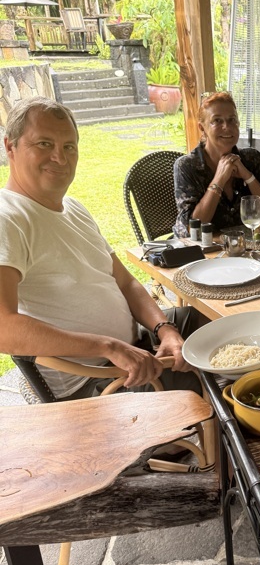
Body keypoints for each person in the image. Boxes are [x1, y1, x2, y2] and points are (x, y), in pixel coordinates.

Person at [0, 97, 204, 401]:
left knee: (211, 324)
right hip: (97, 381)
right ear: (10, 147)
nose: (60, 157)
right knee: (214, 379)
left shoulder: (74, 208)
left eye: (69, 146)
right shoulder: (8, 217)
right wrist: (108, 346)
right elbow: (4, 328)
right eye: (44, 144)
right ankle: (220, 439)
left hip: (133, 348)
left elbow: (126, 283)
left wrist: (164, 329)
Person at [174, 91, 260, 236]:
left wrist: (248, 177)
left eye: (232, 119)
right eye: (217, 121)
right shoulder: (187, 166)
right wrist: (219, 180)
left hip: (246, 248)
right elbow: (194, 230)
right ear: (202, 128)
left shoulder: (252, 159)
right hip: (203, 251)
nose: (227, 126)